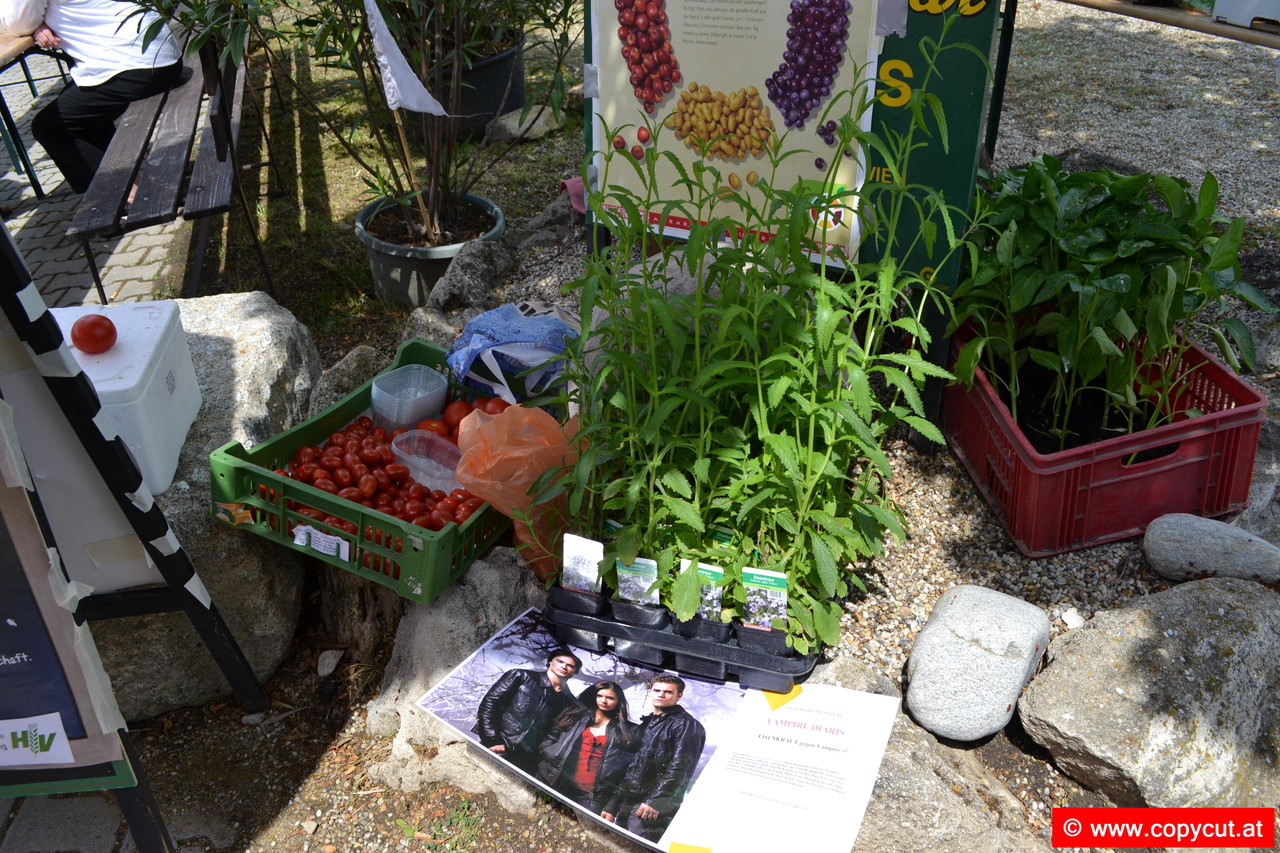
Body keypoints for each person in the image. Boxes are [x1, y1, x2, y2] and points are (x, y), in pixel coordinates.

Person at [0, 0, 183, 193]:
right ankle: (128, 173)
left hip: (137, 66)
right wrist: (38, 23)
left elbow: (17, 22)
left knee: (49, 127)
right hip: (159, 54)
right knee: (74, 102)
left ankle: (125, 192)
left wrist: (36, 24)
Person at [601, 674, 706, 843]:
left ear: (679, 696)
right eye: (657, 690)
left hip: (652, 804)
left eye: (668, 692)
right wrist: (614, 803)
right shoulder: (648, 722)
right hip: (629, 799)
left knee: (637, 846)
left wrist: (656, 801)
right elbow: (631, 767)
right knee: (619, 844)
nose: (661, 694)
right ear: (650, 691)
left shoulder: (686, 724)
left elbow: (681, 767)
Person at [473, 649, 581, 774]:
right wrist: (493, 741)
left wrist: (537, 759)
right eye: (560, 661)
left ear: (575, 672)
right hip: (496, 745)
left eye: (570, 666)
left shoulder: (568, 702)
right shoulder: (522, 676)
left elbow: (555, 735)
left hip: (526, 761)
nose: (564, 666)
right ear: (550, 661)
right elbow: (490, 704)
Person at [535, 680, 638, 812]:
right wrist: (551, 755)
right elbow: (552, 736)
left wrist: (610, 805)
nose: (604, 701)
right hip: (552, 779)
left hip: (587, 795)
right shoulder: (576, 716)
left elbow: (622, 771)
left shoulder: (623, 731)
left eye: (610, 698)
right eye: (600, 696)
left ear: (618, 702)